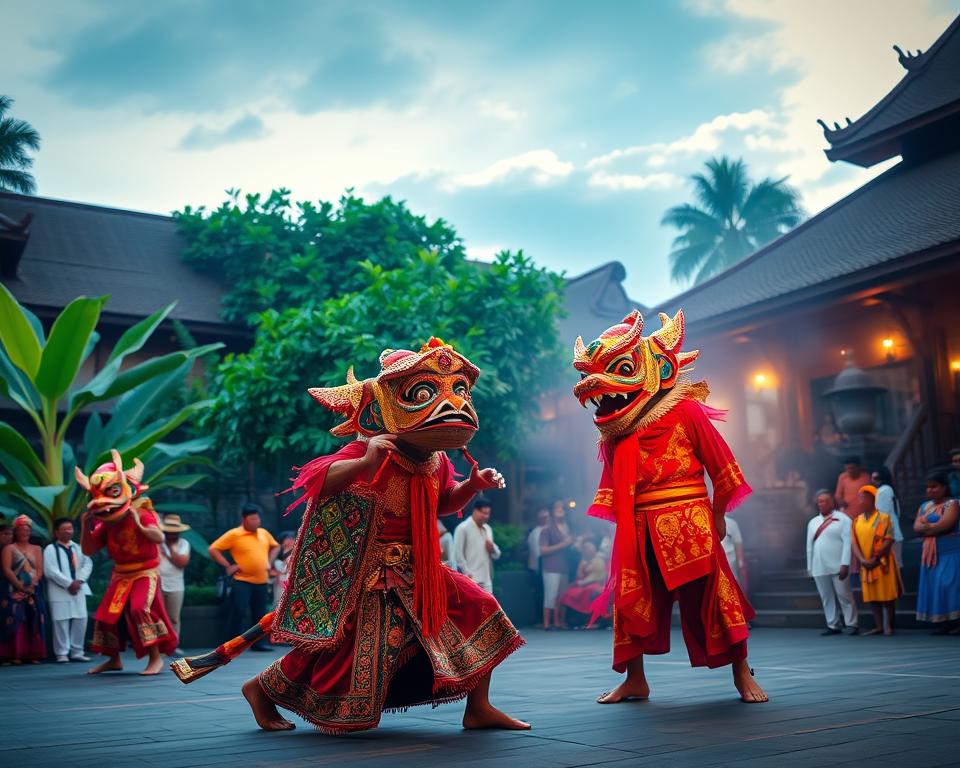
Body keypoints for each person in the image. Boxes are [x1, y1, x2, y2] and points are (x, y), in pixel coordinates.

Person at [173, 338, 528, 732]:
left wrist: (471, 486)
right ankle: (260, 688)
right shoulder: (367, 449)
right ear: (386, 403)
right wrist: (366, 460)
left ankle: (478, 708)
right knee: (341, 653)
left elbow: (441, 504)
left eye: (458, 391)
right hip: (366, 574)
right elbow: (317, 483)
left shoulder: (436, 459)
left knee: (480, 607)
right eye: (425, 392)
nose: (451, 403)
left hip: (422, 570)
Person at [573, 309, 767, 704]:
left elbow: (720, 465)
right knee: (632, 601)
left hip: (690, 518)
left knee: (715, 596)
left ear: (655, 367)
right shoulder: (616, 434)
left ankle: (741, 674)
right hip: (641, 525)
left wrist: (717, 515)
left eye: (621, 368)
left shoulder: (686, 411)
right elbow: (618, 489)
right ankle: (635, 679)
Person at [77, 451, 178, 674]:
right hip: (121, 575)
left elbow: (159, 537)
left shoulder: (142, 512)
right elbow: (88, 549)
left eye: (111, 491)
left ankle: (155, 658)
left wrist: (140, 526)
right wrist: (85, 526)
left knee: (139, 609)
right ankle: (113, 659)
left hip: (145, 572)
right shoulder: (107, 523)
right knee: (105, 616)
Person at [209, 504, 280, 652]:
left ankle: (258, 644)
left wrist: (269, 561)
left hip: (261, 581)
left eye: (258, 518)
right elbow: (213, 549)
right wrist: (228, 566)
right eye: (253, 518)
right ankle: (231, 645)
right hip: (242, 581)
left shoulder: (263, 533)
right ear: (244, 519)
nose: (257, 521)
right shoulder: (234, 534)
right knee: (239, 611)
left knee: (260, 615)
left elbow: (276, 546)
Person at [805, 490, 858, 635]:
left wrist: (845, 563)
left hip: (838, 564)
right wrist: (809, 567)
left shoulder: (844, 519)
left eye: (824, 501)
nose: (821, 504)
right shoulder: (812, 522)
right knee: (826, 597)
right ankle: (833, 624)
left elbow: (848, 543)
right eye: (819, 501)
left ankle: (852, 623)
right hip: (819, 565)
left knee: (844, 595)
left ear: (832, 502)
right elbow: (809, 546)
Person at [852, 485, 902, 636]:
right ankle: (879, 626)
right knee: (872, 597)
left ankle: (890, 626)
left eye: (864, 497)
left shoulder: (884, 518)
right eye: (860, 496)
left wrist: (875, 558)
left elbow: (888, 540)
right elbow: (854, 543)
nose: (861, 500)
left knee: (887, 596)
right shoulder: (856, 521)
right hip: (866, 564)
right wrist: (862, 560)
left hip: (882, 563)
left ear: (873, 499)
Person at [914, 472, 960, 632]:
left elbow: (946, 525)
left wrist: (927, 527)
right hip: (931, 553)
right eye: (927, 487)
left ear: (944, 488)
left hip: (951, 551)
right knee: (936, 586)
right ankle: (944, 623)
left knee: (951, 585)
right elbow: (915, 528)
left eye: (934, 486)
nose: (930, 490)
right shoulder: (924, 506)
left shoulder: (953, 503)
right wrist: (933, 528)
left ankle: (957, 623)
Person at [43, 517, 93, 662]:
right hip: (59, 590)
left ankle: (77, 651)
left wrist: (79, 581)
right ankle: (62, 653)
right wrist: (68, 583)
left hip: (79, 588)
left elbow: (88, 564)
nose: (68, 532)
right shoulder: (50, 549)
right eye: (64, 529)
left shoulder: (78, 547)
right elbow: (50, 570)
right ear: (56, 532)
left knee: (81, 619)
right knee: (60, 621)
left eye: (70, 529)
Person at [0, 515, 47, 663]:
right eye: (21, 530)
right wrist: (19, 586)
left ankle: (33, 654)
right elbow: (7, 569)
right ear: (16, 531)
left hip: (33, 589)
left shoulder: (37, 548)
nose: (25, 532)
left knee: (34, 619)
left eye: (27, 530)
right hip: (14, 589)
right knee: (16, 619)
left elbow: (40, 569)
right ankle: (16, 654)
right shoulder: (9, 548)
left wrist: (34, 583)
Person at [159, 514, 191, 653]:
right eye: (169, 531)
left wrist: (170, 551)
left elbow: (182, 562)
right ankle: (158, 646)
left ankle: (173, 645)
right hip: (157, 582)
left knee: (173, 617)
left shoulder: (184, 543)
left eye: (174, 532)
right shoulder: (156, 542)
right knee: (158, 617)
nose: (171, 534)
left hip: (176, 584)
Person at [453, 498, 501, 592]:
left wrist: (492, 549)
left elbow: (497, 554)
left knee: (489, 607)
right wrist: (468, 574)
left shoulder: (488, 529)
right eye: (483, 513)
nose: (486, 516)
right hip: (471, 581)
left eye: (488, 513)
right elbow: (457, 555)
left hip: (487, 581)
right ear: (475, 511)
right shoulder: (463, 528)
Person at [540, 503, 573, 630]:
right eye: (557, 508)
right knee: (551, 595)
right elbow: (542, 550)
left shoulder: (567, 527)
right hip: (551, 566)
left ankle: (559, 622)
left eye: (562, 508)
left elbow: (568, 545)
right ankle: (547, 624)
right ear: (552, 511)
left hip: (564, 565)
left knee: (562, 595)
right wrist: (564, 544)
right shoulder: (547, 528)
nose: (560, 510)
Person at [559, 539, 607, 620]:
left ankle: (590, 619)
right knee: (569, 592)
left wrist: (580, 583)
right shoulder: (583, 560)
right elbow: (579, 576)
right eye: (585, 547)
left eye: (589, 547)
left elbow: (598, 576)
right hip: (583, 583)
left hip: (596, 583)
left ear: (594, 548)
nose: (587, 549)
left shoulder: (599, 559)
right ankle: (574, 620)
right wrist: (582, 567)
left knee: (588, 591)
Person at [872, 467, 904, 565]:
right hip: (892, 534)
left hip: (888, 536)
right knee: (895, 566)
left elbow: (882, 515)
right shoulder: (889, 489)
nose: (872, 480)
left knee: (892, 567)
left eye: (875, 478)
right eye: (872, 477)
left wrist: (874, 533)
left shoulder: (883, 491)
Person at [526, 507, 549, 623]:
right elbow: (536, 552)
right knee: (541, 593)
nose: (545, 519)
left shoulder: (550, 530)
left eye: (546, 517)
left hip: (547, 566)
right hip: (539, 567)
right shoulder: (535, 532)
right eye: (542, 517)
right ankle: (540, 620)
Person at [720, 514, 747, 590]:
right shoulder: (706, 524)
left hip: (731, 571)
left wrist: (741, 565)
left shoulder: (731, 523)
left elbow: (738, 546)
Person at [271, 531, 295, 608]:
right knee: (278, 603)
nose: (290, 541)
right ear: (282, 540)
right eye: (287, 539)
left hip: (292, 581)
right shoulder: (277, 551)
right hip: (279, 582)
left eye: (292, 539)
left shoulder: (296, 551)